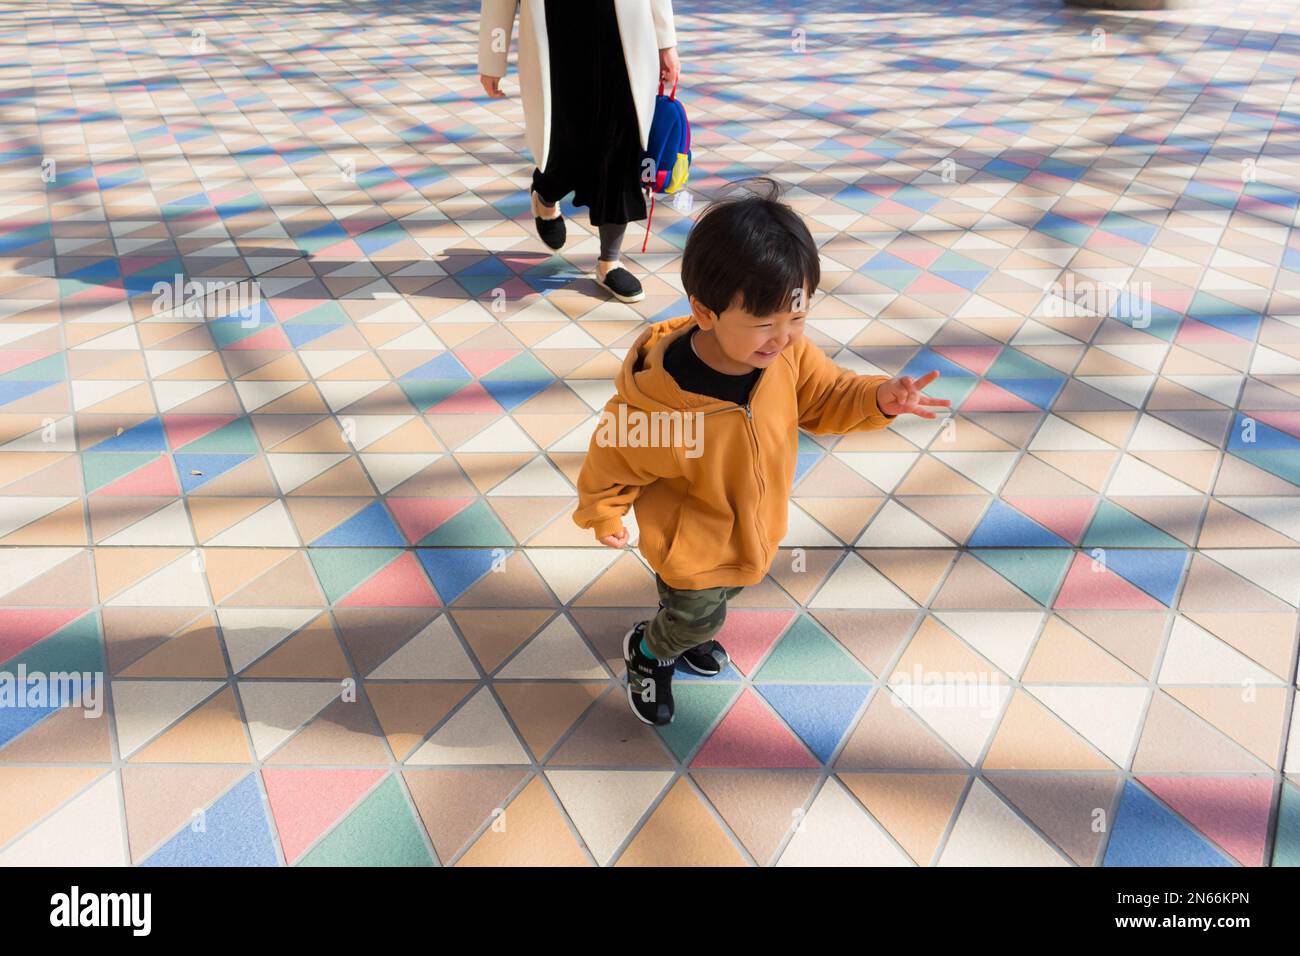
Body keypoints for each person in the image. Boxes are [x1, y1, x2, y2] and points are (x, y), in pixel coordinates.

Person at [571, 178, 952, 725]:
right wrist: (601, 511)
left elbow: (826, 396)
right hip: (693, 542)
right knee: (696, 613)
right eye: (765, 323)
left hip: (752, 526)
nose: (784, 337)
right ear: (706, 312)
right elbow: (612, 458)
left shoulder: (787, 358)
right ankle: (651, 652)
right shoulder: (661, 404)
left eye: (797, 317)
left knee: (718, 597)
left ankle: (682, 629)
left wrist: (879, 398)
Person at [478, 0, 680, 303]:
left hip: (625, 38)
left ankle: (609, 261)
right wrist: (492, 59)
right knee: (563, 142)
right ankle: (546, 193)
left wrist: (666, 43)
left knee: (620, 146)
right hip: (557, 36)